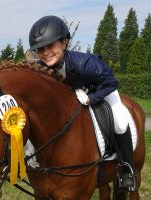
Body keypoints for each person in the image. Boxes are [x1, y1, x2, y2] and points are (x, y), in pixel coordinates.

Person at [29, 15, 136, 191]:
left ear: (64, 43)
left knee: (120, 121)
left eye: (50, 46)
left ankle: (126, 170)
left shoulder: (84, 63)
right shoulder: (41, 68)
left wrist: (91, 98)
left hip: (102, 89)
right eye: (40, 49)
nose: (45, 52)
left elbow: (111, 83)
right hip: (77, 93)